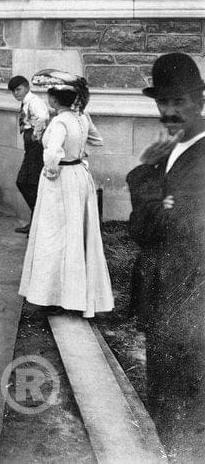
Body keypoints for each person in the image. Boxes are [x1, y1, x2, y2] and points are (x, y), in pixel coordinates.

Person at [127, 52, 205, 457]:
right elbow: (139, 229)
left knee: (188, 411)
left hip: (192, 300)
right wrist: (155, 191)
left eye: (180, 102)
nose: (170, 112)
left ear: (200, 101)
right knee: (161, 400)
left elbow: (186, 227)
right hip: (161, 295)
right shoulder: (165, 154)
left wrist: (153, 198)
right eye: (163, 103)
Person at [18, 70, 112, 318]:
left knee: (54, 236)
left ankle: (54, 295)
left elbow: (51, 154)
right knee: (74, 235)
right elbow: (97, 140)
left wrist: (51, 170)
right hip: (78, 176)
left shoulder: (60, 122)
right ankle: (71, 294)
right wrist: (79, 154)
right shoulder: (81, 118)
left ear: (54, 99)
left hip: (60, 181)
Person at [8, 75, 50, 234]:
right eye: (13, 91)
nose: (16, 93)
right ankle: (35, 220)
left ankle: (37, 221)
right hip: (30, 145)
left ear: (26, 87)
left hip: (35, 146)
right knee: (27, 182)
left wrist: (36, 134)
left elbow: (43, 117)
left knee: (26, 182)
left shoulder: (34, 102)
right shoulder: (27, 102)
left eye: (18, 89)